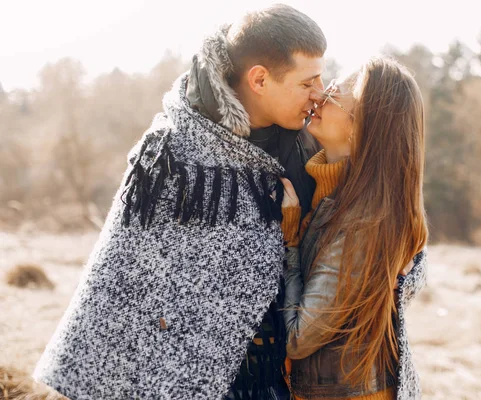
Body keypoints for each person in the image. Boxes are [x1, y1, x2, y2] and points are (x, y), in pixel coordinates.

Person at [33, 4, 326, 399]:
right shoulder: (170, 154)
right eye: (308, 82)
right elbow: (121, 275)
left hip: (284, 377)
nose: (319, 93)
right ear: (259, 79)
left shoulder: (311, 149)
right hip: (183, 380)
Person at [279, 57, 429, 400]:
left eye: (335, 93)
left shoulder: (362, 221)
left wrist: (289, 242)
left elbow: (297, 339)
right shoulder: (334, 192)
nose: (320, 95)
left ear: (359, 126)